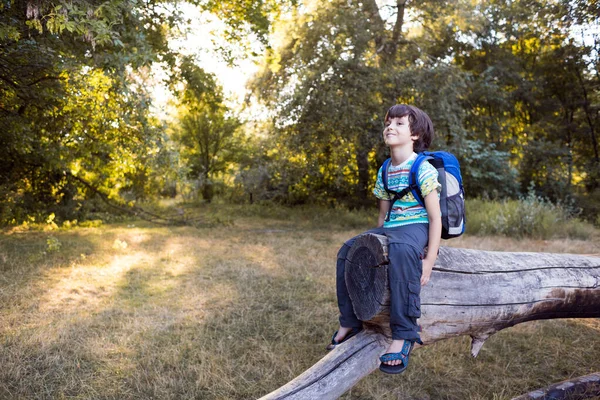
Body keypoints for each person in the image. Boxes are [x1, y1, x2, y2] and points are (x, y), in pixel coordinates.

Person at [327, 104, 442, 374]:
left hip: (417, 225)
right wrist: (374, 242)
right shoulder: (385, 169)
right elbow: (383, 216)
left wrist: (429, 259)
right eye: (388, 122)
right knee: (347, 248)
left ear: (415, 135)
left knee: (402, 251)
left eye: (399, 123)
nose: (390, 127)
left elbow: (435, 218)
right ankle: (350, 321)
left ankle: (404, 334)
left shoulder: (423, 169)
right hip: (393, 226)